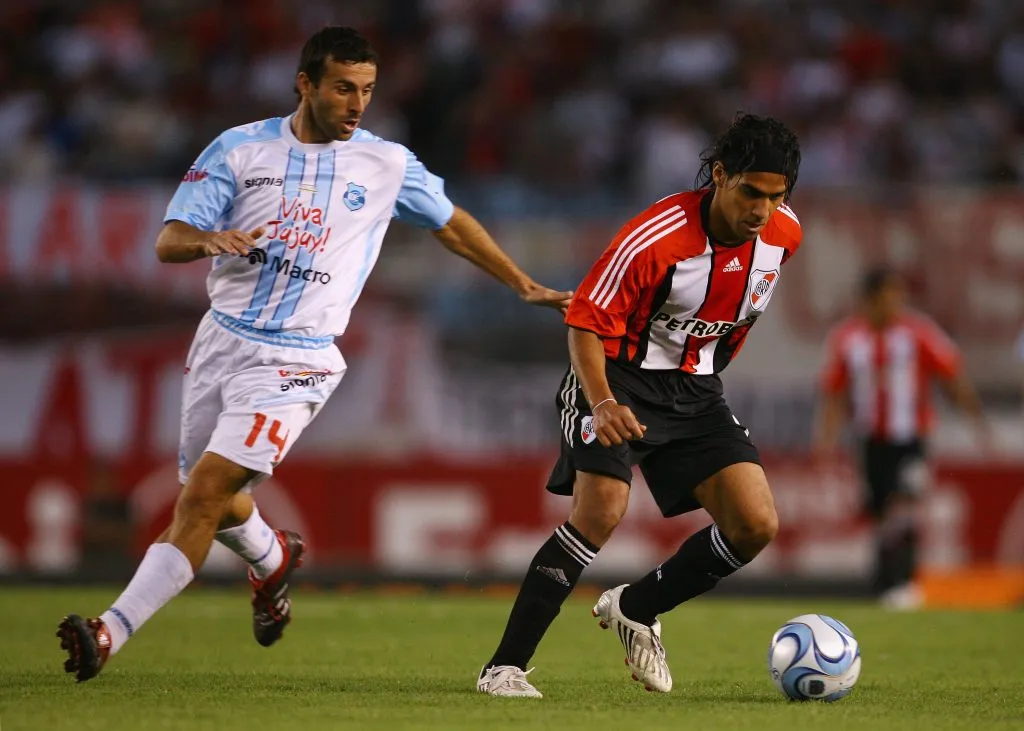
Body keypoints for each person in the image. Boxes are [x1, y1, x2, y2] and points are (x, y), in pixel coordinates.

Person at [57, 26, 571, 682]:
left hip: (300, 358)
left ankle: (109, 631)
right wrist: (211, 240)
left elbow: (451, 221)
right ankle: (272, 559)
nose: (357, 104)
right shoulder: (239, 150)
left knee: (207, 492)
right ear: (305, 83)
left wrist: (522, 282)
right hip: (223, 339)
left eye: (367, 90)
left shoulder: (385, 163)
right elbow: (169, 241)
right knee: (209, 496)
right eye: (343, 88)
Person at [477, 113, 802, 698]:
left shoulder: (784, 236)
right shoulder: (654, 238)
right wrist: (600, 402)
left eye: (775, 197)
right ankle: (503, 667)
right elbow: (582, 323)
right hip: (615, 377)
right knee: (602, 508)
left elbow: (737, 311)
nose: (761, 209)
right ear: (721, 176)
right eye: (751, 192)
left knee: (755, 524)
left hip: (693, 388)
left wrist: (703, 364)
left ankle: (636, 606)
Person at [814, 266, 988, 610]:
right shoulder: (848, 339)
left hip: (911, 440)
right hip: (870, 442)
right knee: (881, 514)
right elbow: (835, 394)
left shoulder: (919, 334)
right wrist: (825, 442)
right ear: (869, 300)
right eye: (887, 296)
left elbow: (952, 378)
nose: (895, 303)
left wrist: (978, 423)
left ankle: (904, 581)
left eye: (899, 295)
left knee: (904, 505)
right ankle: (885, 583)